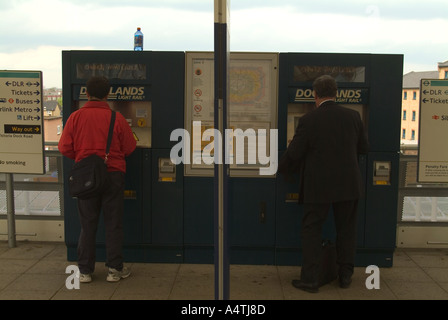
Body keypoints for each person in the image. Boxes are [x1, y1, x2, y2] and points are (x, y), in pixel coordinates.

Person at [280, 75, 369, 293]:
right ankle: (345, 275)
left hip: (318, 186)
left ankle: (310, 279)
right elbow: (364, 148)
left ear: (315, 95)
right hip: (349, 184)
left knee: (312, 230)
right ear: (336, 93)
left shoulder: (309, 120)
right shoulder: (353, 116)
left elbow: (294, 153)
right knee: (346, 230)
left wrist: (282, 169)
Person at [58, 76, 137, 283]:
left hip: (86, 178)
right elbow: (130, 147)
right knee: (113, 224)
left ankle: (84, 271)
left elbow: (64, 147)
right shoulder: (116, 118)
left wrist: (84, 157)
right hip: (113, 175)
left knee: (87, 224)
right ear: (108, 94)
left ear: (86, 93)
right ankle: (114, 270)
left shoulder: (75, 117)